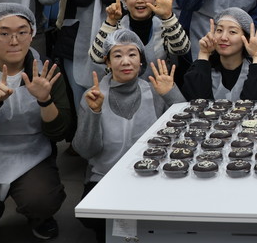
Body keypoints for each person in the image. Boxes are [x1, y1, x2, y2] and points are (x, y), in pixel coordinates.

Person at [0, 3, 71, 242]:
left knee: (42, 200)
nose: (14, 41)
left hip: (33, 155)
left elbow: (60, 133)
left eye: (22, 32)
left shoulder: (48, 72)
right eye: (4, 33)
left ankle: (39, 218)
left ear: (32, 35)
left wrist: (45, 100)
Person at [73, 29, 184, 242]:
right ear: (107, 61)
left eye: (132, 54)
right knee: (93, 217)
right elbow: (86, 150)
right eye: (117, 55)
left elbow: (186, 134)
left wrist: (171, 95)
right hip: (105, 177)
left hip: (152, 176)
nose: (126, 61)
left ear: (141, 60)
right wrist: (94, 112)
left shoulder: (155, 91)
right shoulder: (94, 95)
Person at [88, 0, 190, 81]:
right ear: (124, 0)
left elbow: (182, 49)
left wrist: (168, 16)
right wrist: (111, 21)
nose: (140, 0)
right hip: (121, 89)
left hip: (158, 89)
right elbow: (96, 57)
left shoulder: (165, 27)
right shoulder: (116, 28)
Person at [181, 8, 257, 101]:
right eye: (219, 30)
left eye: (232, 32)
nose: (223, 37)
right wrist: (204, 54)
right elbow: (196, 102)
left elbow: (255, 103)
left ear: (246, 39)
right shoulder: (201, 69)